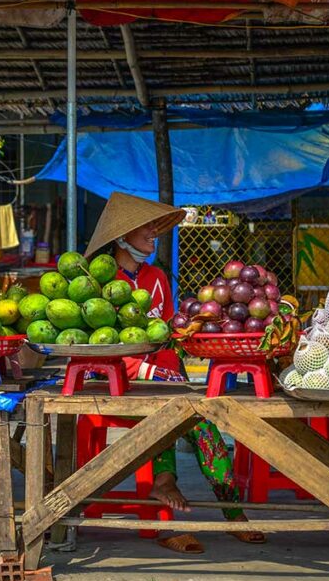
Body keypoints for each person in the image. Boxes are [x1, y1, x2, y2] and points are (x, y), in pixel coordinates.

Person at [85, 192, 265, 553]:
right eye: (145, 227)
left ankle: (233, 512)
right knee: (167, 418)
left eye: (155, 226)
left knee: (205, 423)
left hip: (166, 380)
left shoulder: (156, 278)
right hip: (121, 381)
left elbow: (166, 333)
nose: (154, 232)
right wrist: (151, 371)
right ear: (121, 236)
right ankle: (165, 502)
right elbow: (102, 345)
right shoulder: (99, 285)